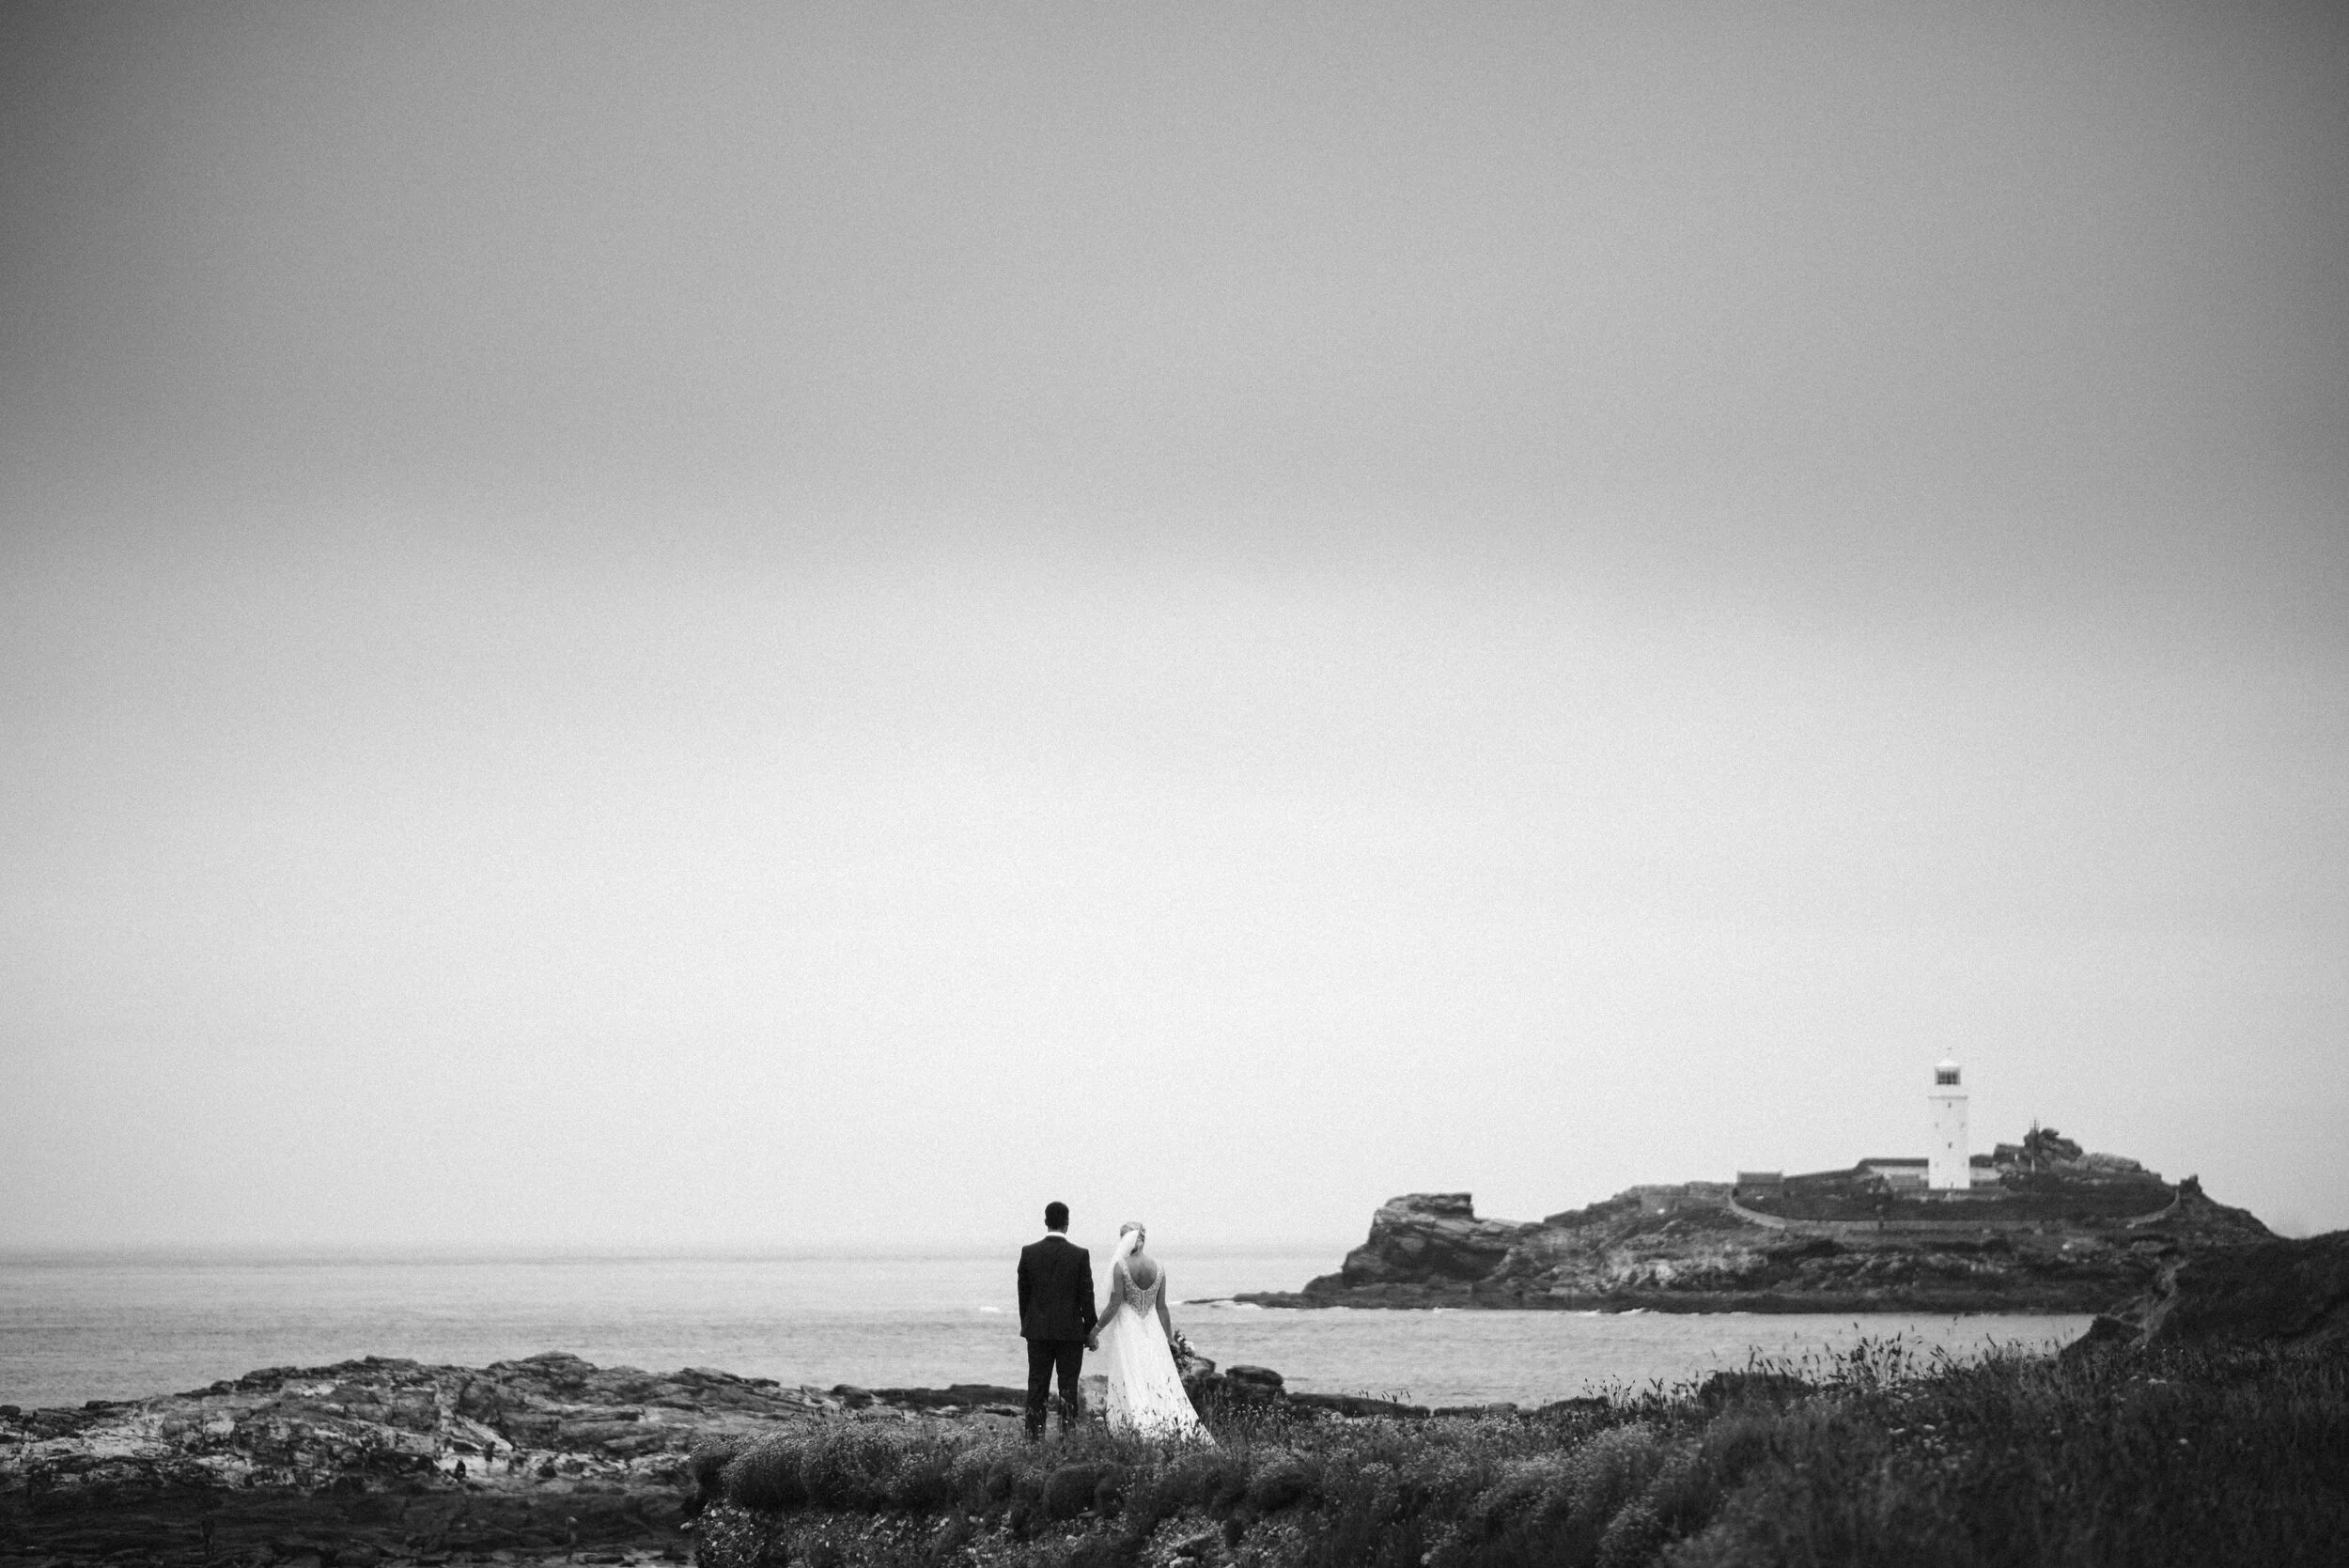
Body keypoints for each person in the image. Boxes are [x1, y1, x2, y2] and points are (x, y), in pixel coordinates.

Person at [1092, 1220, 1211, 1441]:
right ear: (1143, 1240)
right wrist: (1169, 1337)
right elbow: (1162, 1307)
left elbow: (1114, 1304)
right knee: (1156, 1375)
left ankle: (1135, 1428)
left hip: (1128, 1326)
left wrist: (1096, 1329)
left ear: (1125, 1240)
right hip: (1152, 1327)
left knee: (1131, 1374)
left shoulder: (1121, 1267)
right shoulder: (1159, 1268)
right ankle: (1167, 1424)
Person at [1016, 1201, 1097, 1440]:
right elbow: (1086, 1296)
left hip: (1037, 1331)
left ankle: (1033, 1438)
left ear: (1045, 1221)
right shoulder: (1079, 1255)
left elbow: (1024, 1295)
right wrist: (1091, 1330)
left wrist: (1028, 1324)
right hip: (1071, 1333)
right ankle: (1067, 1438)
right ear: (1067, 1223)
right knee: (1068, 1387)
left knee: (1037, 1386)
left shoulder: (1028, 1252)